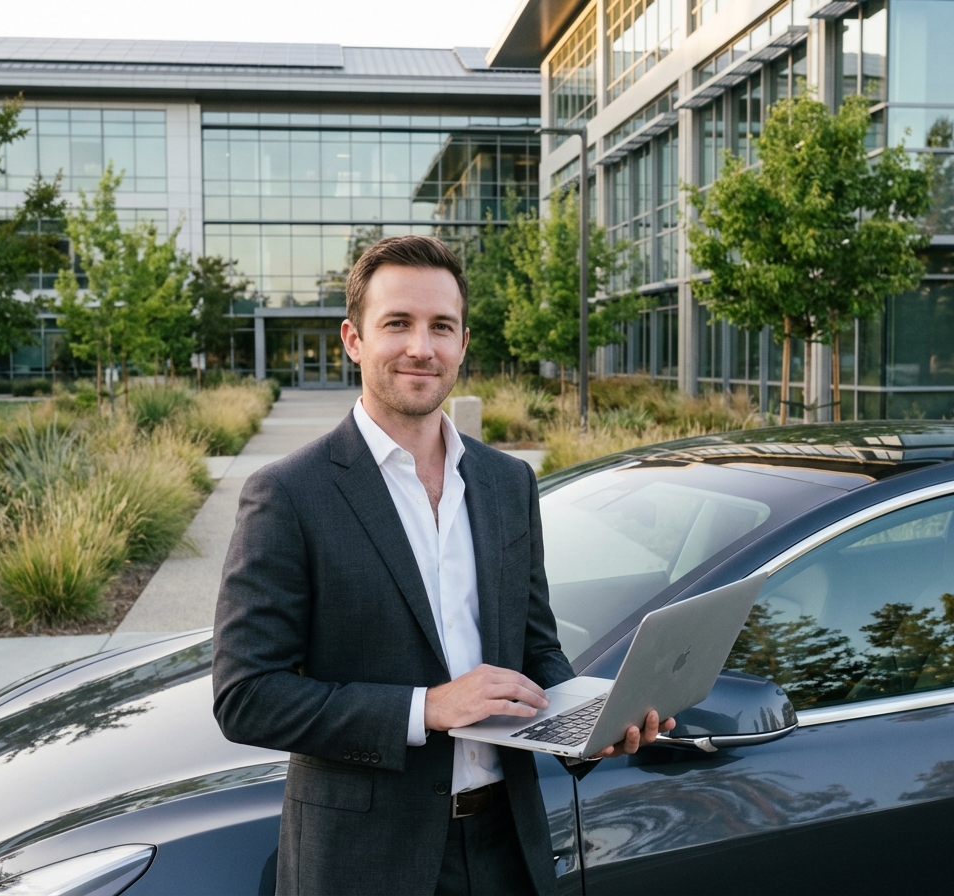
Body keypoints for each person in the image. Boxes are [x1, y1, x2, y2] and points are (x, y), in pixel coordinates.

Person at [212, 235, 671, 896]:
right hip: (364, 864)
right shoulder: (288, 494)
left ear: (462, 343)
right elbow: (246, 697)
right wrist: (427, 708)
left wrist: (590, 727)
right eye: (397, 323)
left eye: (441, 327)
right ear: (353, 339)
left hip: (506, 849)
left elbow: (536, 651)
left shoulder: (507, 482)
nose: (421, 347)